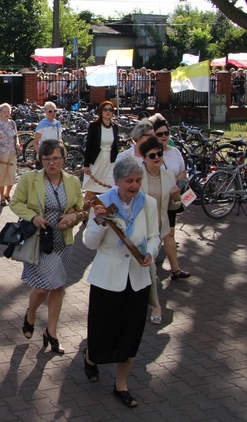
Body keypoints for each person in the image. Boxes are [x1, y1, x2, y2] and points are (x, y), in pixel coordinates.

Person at [82, 157, 160, 409]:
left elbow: (154, 236)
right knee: (101, 333)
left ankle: (121, 384)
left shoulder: (149, 204)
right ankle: (91, 357)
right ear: (117, 182)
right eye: (129, 181)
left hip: (137, 280)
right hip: (108, 280)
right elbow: (89, 243)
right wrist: (100, 222)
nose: (135, 185)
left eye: (138, 180)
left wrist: (151, 252)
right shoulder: (102, 202)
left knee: (131, 335)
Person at [10, 140, 84, 354]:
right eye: (46, 159)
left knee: (58, 287)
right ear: (40, 160)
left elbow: (79, 208)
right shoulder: (30, 179)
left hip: (63, 241)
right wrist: (33, 217)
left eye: (56, 158)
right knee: (43, 287)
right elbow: (16, 203)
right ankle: (31, 314)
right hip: (39, 241)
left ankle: (51, 332)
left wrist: (74, 216)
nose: (51, 163)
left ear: (64, 158)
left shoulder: (72, 181)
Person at [138, 138, 182, 325]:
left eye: (160, 154)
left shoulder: (168, 176)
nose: (157, 158)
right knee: (148, 267)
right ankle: (152, 304)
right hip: (141, 229)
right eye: (152, 155)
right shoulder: (137, 176)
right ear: (144, 158)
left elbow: (173, 207)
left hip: (159, 228)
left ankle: (155, 304)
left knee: (150, 267)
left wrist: (176, 197)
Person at [151, 118, 190, 280]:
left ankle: (175, 269)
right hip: (154, 199)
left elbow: (182, 171)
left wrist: (179, 181)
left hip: (171, 199)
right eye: (160, 134)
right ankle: (149, 266)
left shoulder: (174, 152)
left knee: (170, 232)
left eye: (166, 133)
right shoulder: (150, 153)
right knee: (152, 233)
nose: (164, 136)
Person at [83, 100, 119, 201]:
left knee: (109, 186)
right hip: (97, 160)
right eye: (105, 109)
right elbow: (89, 145)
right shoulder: (94, 126)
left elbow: (115, 146)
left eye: (110, 109)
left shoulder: (115, 127)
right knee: (91, 187)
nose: (108, 111)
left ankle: (106, 209)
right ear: (101, 112)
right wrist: (86, 165)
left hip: (110, 161)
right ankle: (85, 210)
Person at [0, 103, 21, 206]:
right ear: (0, 113)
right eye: (5, 112)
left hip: (12, 153)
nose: (7, 113)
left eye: (8, 111)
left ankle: (7, 194)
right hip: (1, 153)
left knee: (11, 176)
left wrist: (17, 143)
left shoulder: (12, 123)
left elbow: (16, 136)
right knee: (1, 176)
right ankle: (2, 196)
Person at [33, 101, 63, 171]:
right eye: (50, 111)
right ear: (45, 112)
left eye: (54, 111)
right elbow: (35, 143)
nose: (53, 113)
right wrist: (41, 155)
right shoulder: (42, 125)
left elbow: (59, 140)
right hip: (44, 157)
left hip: (55, 157)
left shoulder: (58, 124)